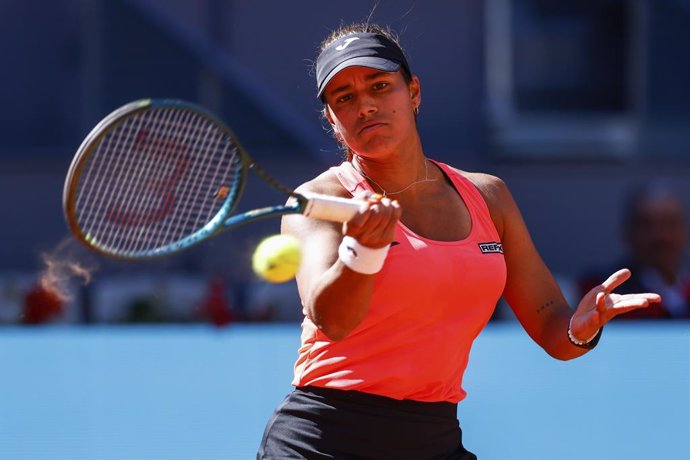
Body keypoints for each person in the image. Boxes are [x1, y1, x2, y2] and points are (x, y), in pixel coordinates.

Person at [256, 23, 661, 460]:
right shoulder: (319, 201)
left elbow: (553, 330)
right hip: (325, 440)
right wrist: (363, 250)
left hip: (435, 437)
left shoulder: (489, 196)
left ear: (414, 92)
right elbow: (331, 319)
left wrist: (580, 329)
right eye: (345, 98)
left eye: (380, 85)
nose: (366, 106)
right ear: (333, 121)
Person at [579, 183, 689, 320]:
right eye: (647, 225)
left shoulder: (686, 289)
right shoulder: (602, 291)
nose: (661, 236)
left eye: (670, 224)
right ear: (628, 232)